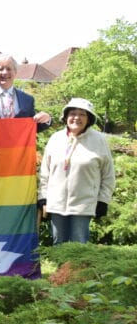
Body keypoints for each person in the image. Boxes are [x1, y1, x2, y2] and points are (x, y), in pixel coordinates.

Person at [38, 98, 115, 244]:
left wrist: (103, 200)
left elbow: (108, 175)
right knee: (58, 245)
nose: (76, 118)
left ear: (89, 119)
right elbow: (45, 172)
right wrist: (43, 197)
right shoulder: (55, 139)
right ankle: (60, 268)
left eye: (82, 114)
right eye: (72, 113)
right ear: (66, 117)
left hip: (83, 205)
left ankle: (78, 269)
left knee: (79, 246)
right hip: (57, 204)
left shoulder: (99, 141)